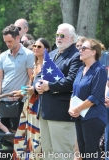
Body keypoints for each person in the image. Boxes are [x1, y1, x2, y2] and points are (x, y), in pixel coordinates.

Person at [35, 23, 82, 160]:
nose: (59, 38)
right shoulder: (51, 53)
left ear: (72, 39)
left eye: (63, 35)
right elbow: (41, 75)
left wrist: (49, 86)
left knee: (62, 153)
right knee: (48, 152)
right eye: (57, 35)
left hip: (62, 112)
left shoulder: (76, 56)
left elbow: (72, 81)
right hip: (45, 110)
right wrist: (38, 86)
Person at [69, 38, 107, 159]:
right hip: (80, 116)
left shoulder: (99, 70)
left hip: (93, 117)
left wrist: (77, 109)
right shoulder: (81, 69)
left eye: (84, 48)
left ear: (93, 52)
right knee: (83, 152)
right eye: (80, 48)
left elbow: (94, 97)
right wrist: (71, 108)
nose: (80, 50)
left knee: (92, 154)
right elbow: (74, 92)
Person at [13, 38, 51, 159]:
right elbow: (31, 85)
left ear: (46, 49)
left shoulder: (49, 65)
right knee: (25, 134)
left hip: (40, 104)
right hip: (29, 104)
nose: (35, 48)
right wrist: (21, 91)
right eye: (34, 46)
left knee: (37, 137)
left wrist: (32, 90)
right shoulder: (35, 65)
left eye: (39, 46)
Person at [0, 24, 35, 132]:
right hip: (4, 101)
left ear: (17, 38)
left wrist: (21, 93)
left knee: (17, 133)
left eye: (10, 41)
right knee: (4, 134)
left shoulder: (28, 55)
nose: (8, 44)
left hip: (20, 102)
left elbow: (31, 78)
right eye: (6, 42)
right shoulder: (2, 56)